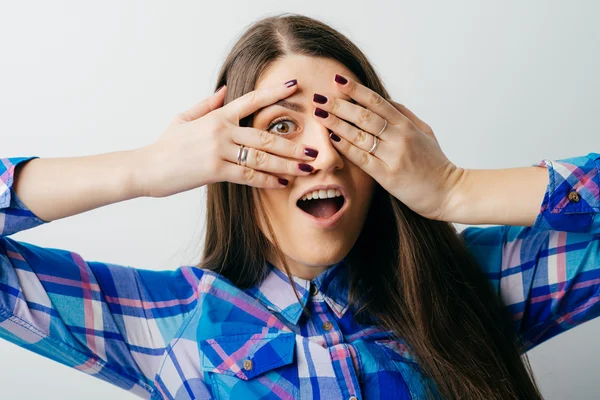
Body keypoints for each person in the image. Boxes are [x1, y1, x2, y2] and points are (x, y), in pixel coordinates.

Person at [1, 13, 598, 400]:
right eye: (281, 126)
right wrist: (141, 169)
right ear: (226, 160)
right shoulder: (170, 325)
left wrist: (457, 189)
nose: (322, 152)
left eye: (346, 123)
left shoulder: (470, 288)